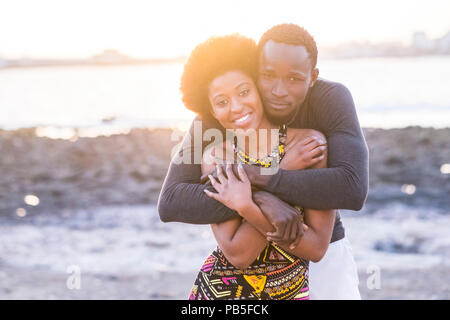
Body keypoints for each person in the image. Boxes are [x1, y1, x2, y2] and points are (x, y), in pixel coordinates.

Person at [158, 24, 368, 299]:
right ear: (257, 71)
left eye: (293, 78)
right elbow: (171, 201)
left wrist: (260, 182)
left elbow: (351, 188)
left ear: (312, 76)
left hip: (322, 258)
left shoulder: (327, 105)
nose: (280, 90)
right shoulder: (218, 119)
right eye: (268, 75)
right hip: (239, 285)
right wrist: (269, 191)